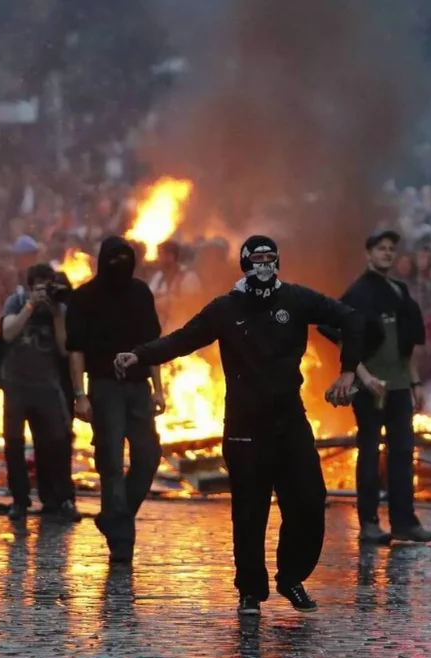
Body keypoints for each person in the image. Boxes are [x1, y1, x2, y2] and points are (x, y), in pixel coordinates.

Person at [114, 235, 366, 615]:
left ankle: (291, 576)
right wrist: (138, 355)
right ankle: (250, 591)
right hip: (245, 425)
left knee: (310, 501)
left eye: (270, 259)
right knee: (249, 511)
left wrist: (348, 371)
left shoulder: (296, 299)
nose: (265, 266)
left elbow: (351, 318)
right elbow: (182, 340)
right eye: (257, 259)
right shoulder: (226, 309)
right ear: (245, 265)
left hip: (290, 421)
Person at [324, 229, 431, 545]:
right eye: (381, 248)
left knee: (402, 451)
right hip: (368, 385)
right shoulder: (358, 293)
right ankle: (370, 522)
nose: (388, 253)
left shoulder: (400, 292)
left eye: (391, 249)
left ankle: (405, 522)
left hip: (399, 385)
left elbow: (406, 345)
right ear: (369, 253)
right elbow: (343, 338)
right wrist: (362, 375)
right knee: (370, 453)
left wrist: (415, 381)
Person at [65, 236, 164, 564]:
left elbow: (153, 345)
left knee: (149, 455)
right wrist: (79, 394)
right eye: (113, 258)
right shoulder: (84, 298)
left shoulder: (140, 293)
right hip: (104, 387)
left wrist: (159, 388)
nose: (119, 265)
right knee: (110, 462)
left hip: (138, 388)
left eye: (125, 258)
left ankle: (113, 518)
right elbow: (75, 350)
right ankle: (122, 547)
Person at [0, 262, 79, 524]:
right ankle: (19, 500)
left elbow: (66, 348)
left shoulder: (60, 308)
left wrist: (57, 313)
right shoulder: (17, 300)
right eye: (40, 285)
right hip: (16, 384)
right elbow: (7, 333)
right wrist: (30, 306)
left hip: (47, 385)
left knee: (57, 443)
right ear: (31, 285)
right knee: (14, 444)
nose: (45, 290)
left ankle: (61, 498)